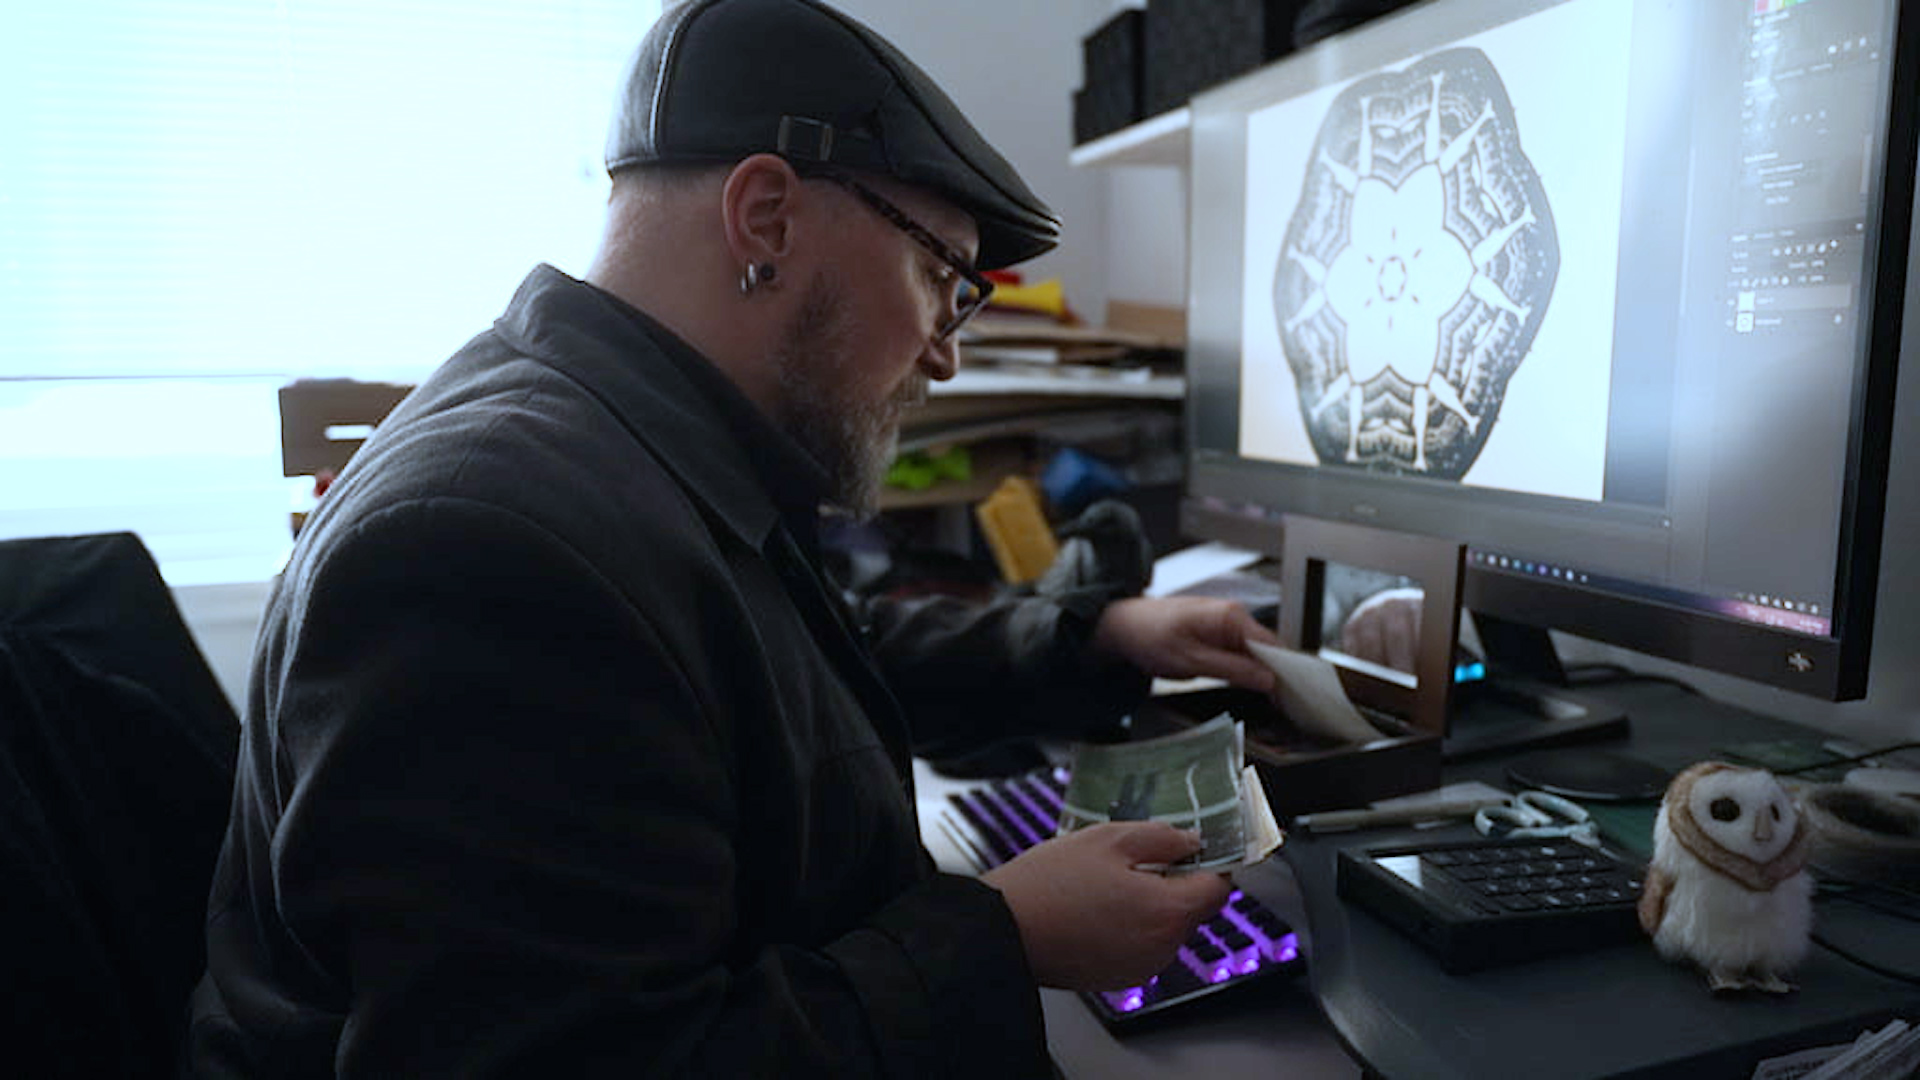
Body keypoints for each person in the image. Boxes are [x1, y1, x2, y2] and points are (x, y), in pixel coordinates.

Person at [187, 1, 1280, 1076]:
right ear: (765, 219)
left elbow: (787, 686)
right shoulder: (483, 550)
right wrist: (998, 934)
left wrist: (1098, 636)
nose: (946, 353)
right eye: (942, 281)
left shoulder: (631, 447)